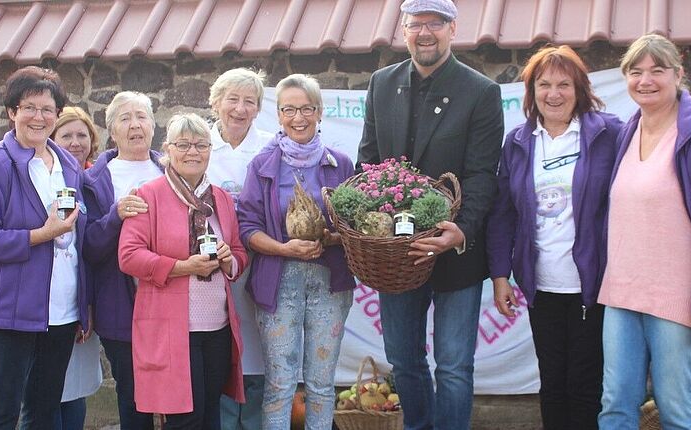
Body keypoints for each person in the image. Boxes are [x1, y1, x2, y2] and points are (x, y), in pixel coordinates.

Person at [357, 0, 504, 427]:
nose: (425, 33)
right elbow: (367, 164)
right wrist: (365, 223)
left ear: (452, 29)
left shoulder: (481, 91)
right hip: (395, 256)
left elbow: (481, 175)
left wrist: (460, 231)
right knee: (403, 360)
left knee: (455, 366)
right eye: (415, 24)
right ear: (403, 30)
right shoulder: (381, 83)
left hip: (454, 251)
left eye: (434, 24)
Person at [597, 33, 691, 429]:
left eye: (657, 71)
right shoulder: (627, 132)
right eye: (635, 71)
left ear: (678, 74)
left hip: (677, 299)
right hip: (622, 294)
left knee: (676, 408)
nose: (645, 80)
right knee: (615, 405)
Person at [486, 45, 622, 430]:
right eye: (544, 84)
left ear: (579, 89)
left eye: (564, 84)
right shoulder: (518, 142)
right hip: (541, 286)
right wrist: (500, 277)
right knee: (552, 383)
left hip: (593, 287)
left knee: (585, 383)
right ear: (531, 92)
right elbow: (503, 216)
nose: (554, 94)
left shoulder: (608, 133)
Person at [0, 66, 88, 429]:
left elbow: (79, 229)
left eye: (48, 109)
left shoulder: (67, 163)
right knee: (2, 412)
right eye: (29, 107)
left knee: (45, 411)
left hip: (61, 310)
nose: (39, 117)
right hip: (9, 310)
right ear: (12, 112)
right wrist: (40, 234)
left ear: (57, 114)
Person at [237, 74, 355, 428]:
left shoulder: (341, 165)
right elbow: (247, 227)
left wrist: (333, 238)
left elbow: (355, 223)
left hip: (329, 282)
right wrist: (284, 248)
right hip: (279, 282)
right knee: (280, 383)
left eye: (306, 108)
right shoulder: (262, 166)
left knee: (320, 383)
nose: (298, 117)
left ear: (319, 112)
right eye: (289, 109)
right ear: (279, 114)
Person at [118, 113, 248, 428]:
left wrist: (229, 259)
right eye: (184, 145)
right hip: (172, 329)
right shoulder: (148, 195)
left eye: (201, 145)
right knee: (185, 420)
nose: (193, 152)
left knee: (210, 416)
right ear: (168, 149)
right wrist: (182, 267)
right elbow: (129, 256)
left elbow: (239, 252)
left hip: (217, 327)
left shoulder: (221, 199)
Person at [81, 91, 164, 430]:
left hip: (169, 299)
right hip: (120, 304)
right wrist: (115, 216)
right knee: (133, 396)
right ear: (112, 131)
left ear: (153, 126)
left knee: (176, 394)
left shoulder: (170, 169)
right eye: (125, 119)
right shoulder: (95, 180)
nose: (135, 125)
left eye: (141, 116)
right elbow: (89, 247)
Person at [205, 68, 273, 430]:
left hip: (259, 262)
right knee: (220, 344)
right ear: (215, 101)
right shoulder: (199, 143)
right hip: (209, 266)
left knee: (258, 344)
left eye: (249, 101)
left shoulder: (270, 146)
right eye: (232, 98)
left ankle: (255, 419)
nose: (240, 108)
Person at [50, 107, 103, 430]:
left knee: (77, 387)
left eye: (81, 134)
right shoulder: (48, 178)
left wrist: (89, 306)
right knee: (49, 390)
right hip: (50, 302)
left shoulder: (96, 181)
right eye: (66, 135)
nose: (75, 142)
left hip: (83, 299)